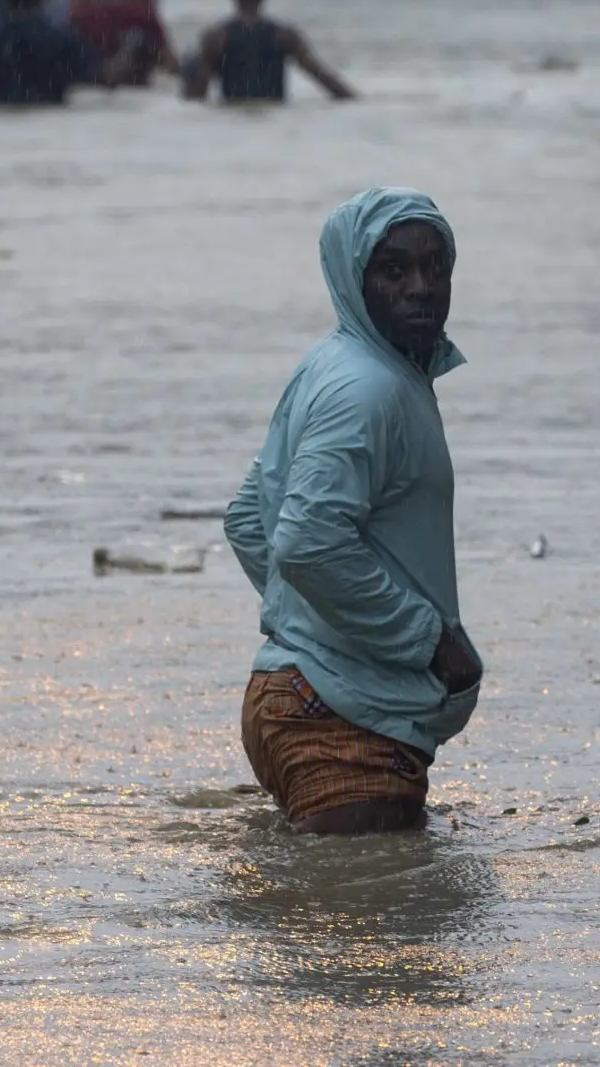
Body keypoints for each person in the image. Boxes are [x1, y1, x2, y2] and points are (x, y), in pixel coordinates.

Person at [225, 190, 481, 835]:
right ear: (351, 277)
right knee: (380, 931)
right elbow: (307, 543)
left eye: (436, 267)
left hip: (302, 698)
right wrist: (427, 640)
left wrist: (312, 623)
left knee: (338, 922)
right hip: (341, 720)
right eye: (394, 270)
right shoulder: (367, 390)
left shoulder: (334, 368)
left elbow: (249, 521)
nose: (422, 287)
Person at [183, 0, 355, 104]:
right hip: (275, 125)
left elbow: (196, 98)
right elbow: (325, 80)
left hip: (231, 126)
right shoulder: (284, 36)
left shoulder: (216, 38)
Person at [67, 0, 176, 86]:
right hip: (134, 91)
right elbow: (170, 63)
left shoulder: (77, 13)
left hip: (85, 86)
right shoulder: (141, 14)